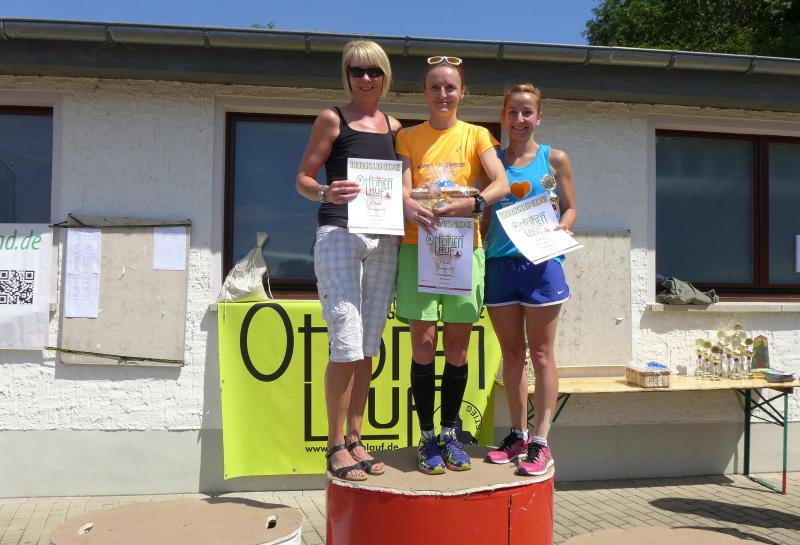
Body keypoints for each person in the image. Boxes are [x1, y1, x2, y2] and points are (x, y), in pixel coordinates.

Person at [397, 56, 510, 475]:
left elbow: (500, 182)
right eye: (435, 87)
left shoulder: (477, 135)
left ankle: (449, 432)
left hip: (464, 248)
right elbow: (403, 189)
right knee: (424, 345)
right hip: (418, 247)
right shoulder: (408, 137)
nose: (442, 94)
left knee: (458, 347)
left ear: (463, 92)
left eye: (450, 87)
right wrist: (409, 206)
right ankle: (427, 436)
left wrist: (475, 202)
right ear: (424, 92)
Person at [296, 40, 402, 481]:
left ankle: (357, 439)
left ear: (385, 75)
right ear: (347, 75)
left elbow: (403, 189)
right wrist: (324, 190)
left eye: (373, 71)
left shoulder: (395, 127)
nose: (365, 78)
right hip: (339, 233)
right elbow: (302, 179)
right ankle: (335, 445)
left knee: (368, 345)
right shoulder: (332, 118)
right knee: (345, 343)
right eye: (356, 70)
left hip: (385, 237)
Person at [483, 83, 576, 476]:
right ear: (503, 116)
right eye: (512, 112)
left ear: (539, 117)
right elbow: (483, 215)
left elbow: (570, 209)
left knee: (541, 354)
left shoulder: (554, 159)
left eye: (527, 112)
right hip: (499, 266)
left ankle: (541, 442)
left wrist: (561, 229)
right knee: (511, 354)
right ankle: (518, 434)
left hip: (542, 265)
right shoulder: (491, 161)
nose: (519, 119)